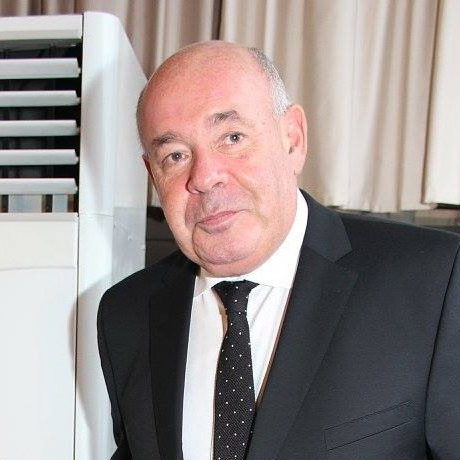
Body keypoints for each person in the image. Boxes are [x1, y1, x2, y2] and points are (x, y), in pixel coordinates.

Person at [97, 41, 460, 460]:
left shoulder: (434, 281)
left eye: (232, 137)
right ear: (152, 174)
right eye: (175, 155)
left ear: (293, 140)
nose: (205, 177)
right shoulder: (125, 315)